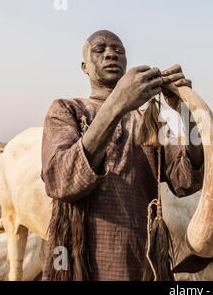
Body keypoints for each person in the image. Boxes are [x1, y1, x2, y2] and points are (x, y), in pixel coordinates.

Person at [40, 30, 204, 281]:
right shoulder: (66, 109)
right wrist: (117, 103)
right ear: (84, 67)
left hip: (140, 256)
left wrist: (186, 110)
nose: (110, 54)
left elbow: (186, 180)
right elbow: (60, 181)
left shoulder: (148, 119)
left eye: (119, 50)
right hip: (81, 261)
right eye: (100, 50)